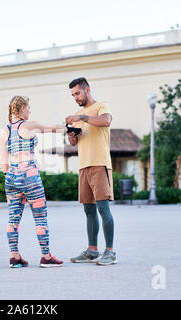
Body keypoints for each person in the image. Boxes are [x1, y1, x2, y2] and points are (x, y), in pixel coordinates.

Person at [0, 96, 74, 268]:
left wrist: (10, 179)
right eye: (28, 107)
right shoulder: (29, 125)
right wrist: (70, 129)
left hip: (11, 177)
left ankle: (14, 257)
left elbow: (4, 162)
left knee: (12, 218)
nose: (30, 111)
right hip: (30, 176)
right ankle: (46, 257)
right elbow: (52, 128)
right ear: (22, 108)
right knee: (40, 218)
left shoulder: (6, 130)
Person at [65, 77, 117, 266]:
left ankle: (110, 252)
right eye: (73, 95)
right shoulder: (78, 114)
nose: (76, 97)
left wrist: (83, 117)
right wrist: (71, 134)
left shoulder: (102, 106)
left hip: (100, 163)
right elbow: (74, 142)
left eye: (77, 93)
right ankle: (92, 250)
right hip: (84, 166)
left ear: (87, 89)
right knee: (88, 209)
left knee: (103, 208)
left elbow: (106, 121)